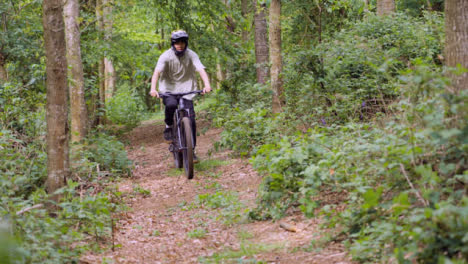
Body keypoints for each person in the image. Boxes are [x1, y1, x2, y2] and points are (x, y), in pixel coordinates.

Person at [149, 30, 211, 161]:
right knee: (171, 105)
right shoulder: (165, 56)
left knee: (191, 120)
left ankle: (191, 150)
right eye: (177, 42)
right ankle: (168, 126)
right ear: (173, 43)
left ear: (186, 43)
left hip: (187, 89)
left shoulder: (192, 55)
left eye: (182, 42)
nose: (180, 45)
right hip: (168, 89)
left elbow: (201, 70)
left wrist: (207, 85)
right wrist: (153, 89)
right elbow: (156, 73)